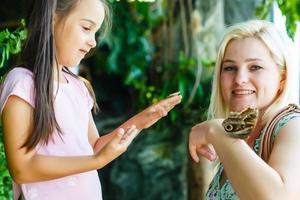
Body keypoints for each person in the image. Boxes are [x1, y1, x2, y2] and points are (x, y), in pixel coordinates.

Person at [0, 0, 181, 199]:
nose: (93, 41)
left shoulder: (79, 87)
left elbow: (94, 147)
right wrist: (96, 161)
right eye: (86, 28)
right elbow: (22, 168)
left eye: (95, 32)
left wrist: (141, 121)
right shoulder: (22, 83)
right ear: (52, 18)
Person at [189, 20, 300, 199]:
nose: (240, 79)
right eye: (230, 68)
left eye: (255, 67)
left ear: (282, 77)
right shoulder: (240, 139)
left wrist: (216, 130)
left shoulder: (293, 126)